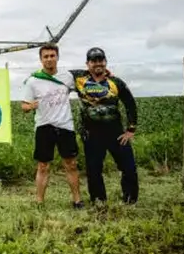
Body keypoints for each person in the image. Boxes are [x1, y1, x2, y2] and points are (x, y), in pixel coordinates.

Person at [72, 47, 139, 205]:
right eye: (93, 61)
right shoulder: (78, 79)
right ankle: (98, 200)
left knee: (128, 167)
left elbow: (130, 104)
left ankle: (130, 200)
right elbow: (56, 74)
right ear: (87, 64)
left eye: (100, 60)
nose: (97, 64)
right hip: (91, 133)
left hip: (115, 132)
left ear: (105, 62)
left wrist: (130, 130)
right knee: (93, 170)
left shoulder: (115, 82)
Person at [21, 43, 84, 209]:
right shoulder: (33, 81)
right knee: (43, 166)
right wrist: (30, 106)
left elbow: (87, 83)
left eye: (52, 56)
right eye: (46, 56)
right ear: (41, 59)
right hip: (44, 126)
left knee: (71, 164)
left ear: (57, 57)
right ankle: (39, 202)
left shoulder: (68, 77)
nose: (49, 59)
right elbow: (24, 106)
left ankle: (77, 200)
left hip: (65, 125)